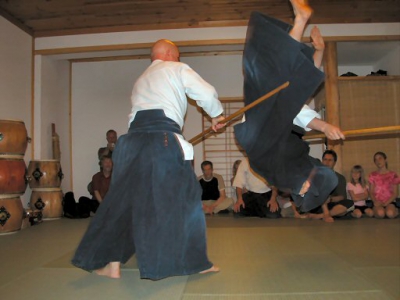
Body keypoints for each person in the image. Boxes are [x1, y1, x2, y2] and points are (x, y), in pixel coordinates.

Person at [72, 39, 224, 279]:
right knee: (185, 201)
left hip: (130, 144)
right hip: (161, 141)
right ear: (171, 54)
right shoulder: (176, 68)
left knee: (123, 204)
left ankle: (112, 265)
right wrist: (217, 115)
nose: (178, 58)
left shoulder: (141, 79)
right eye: (178, 55)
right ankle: (195, 263)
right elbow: (205, 92)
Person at [233, 0, 344, 213]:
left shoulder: (290, 174)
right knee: (281, 83)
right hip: (262, 133)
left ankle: (300, 21)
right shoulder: (301, 166)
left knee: (276, 83)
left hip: (262, 137)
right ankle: (300, 21)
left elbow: (293, 107)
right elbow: (297, 98)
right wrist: (318, 51)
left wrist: (324, 126)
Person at [308, 150, 355, 222]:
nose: (327, 162)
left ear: (334, 162)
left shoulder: (340, 178)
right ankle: (327, 214)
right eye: (325, 160)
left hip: (333, 204)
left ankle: (320, 216)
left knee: (349, 203)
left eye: (330, 160)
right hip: (318, 205)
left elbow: (342, 196)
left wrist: (330, 199)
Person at [369, 151, 399, 219]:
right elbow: (371, 192)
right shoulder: (372, 175)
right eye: (375, 160)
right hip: (377, 202)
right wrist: (375, 201)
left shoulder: (393, 174)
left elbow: (395, 193)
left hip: (390, 201)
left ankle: (394, 211)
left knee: (390, 214)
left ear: (385, 160)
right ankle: (376, 211)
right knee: (380, 214)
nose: (378, 161)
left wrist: (386, 203)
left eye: (380, 158)